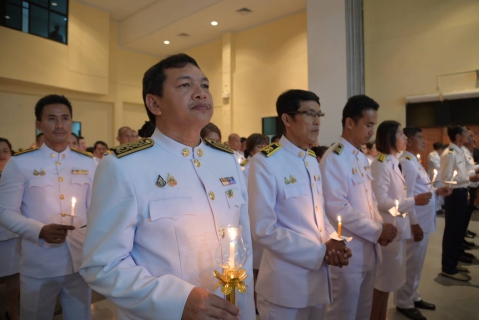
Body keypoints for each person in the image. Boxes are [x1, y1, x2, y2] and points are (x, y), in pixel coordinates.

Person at [80, 53, 255, 319]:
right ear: (154, 103)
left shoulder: (226, 160)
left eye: (205, 85)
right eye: (185, 85)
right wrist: (177, 300)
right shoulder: (125, 165)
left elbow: (244, 247)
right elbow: (102, 264)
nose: (200, 93)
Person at [248, 89, 351, 320]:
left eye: (319, 114)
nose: (317, 121)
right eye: (309, 113)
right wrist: (321, 251)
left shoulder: (312, 159)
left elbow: (318, 214)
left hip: (316, 281)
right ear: (287, 119)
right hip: (284, 286)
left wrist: (335, 239)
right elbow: (263, 230)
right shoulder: (266, 162)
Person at [0, 95, 96, 320]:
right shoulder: (20, 163)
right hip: (39, 261)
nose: (60, 125)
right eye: (52, 118)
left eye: (65, 118)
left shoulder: (87, 162)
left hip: (80, 261)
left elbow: (95, 209)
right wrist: (39, 230)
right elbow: (4, 211)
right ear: (39, 125)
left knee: (80, 316)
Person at [320, 95, 397, 320]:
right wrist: (376, 230)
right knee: (343, 312)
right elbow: (337, 207)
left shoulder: (360, 157)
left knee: (363, 311)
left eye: (373, 125)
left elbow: (370, 200)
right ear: (350, 123)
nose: (372, 131)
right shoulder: (334, 158)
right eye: (368, 125)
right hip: (348, 253)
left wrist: (381, 227)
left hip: (369, 249)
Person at [370, 120, 432, 320]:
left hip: (398, 228)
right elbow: (380, 202)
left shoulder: (393, 161)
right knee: (381, 285)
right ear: (390, 137)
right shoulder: (381, 163)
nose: (405, 138)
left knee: (388, 284)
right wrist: (413, 201)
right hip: (389, 230)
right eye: (401, 134)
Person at [394, 127, 451, 320]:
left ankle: (413, 295)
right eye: (419, 137)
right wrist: (414, 224)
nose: (424, 141)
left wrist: (437, 192)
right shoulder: (407, 163)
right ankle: (404, 302)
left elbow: (422, 189)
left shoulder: (414, 161)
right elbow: (407, 196)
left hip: (424, 221)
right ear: (408, 141)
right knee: (411, 263)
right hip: (415, 222)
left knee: (417, 263)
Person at [440, 123, 479, 281]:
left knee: (458, 232)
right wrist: (469, 178)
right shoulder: (450, 153)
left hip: (462, 192)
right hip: (454, 194)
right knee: (452, 231)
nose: (469, 136)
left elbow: (465, 171)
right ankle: (448, 267)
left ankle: (453, 262)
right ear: (458, 136)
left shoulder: (459, 152)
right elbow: (447, 179)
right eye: (465, 133)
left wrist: (471, 176)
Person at [0, 138, 20, 320]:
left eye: (4, 150)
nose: (0, 154)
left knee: (13, 276)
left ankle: (12, 311)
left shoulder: (17, 174)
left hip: (11, 234)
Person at [460, 129, 478, 260]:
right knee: (458, 223)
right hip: (464, 188)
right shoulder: (457, 152)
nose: (472, 138)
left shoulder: (466, 152)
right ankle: (457, 252)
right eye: (469, 135)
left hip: (470, 187)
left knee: (464, 220)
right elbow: (463, 172)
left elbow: (470, 169)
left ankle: (461, 244)